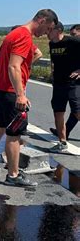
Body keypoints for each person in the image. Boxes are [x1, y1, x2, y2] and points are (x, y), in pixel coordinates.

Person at [0, 9, 58, 187]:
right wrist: (20, 94)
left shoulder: (15, 33)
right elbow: (14, 66)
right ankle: (13, 176)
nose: (45, 34)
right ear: (42, 20)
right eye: (48, 28)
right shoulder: (24, 36)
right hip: (10, 92)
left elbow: (6, 60)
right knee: (15, 133)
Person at [47, 22, 80, 152]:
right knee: (58, 112)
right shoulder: (52, 44)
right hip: (58, 84)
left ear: (59, 30)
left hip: (73, 82)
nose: (46, 32)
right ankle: (62, 143)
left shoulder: (73, 41)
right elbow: (53, 60)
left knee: (77, 111)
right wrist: (52, 73)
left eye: (50, 30)